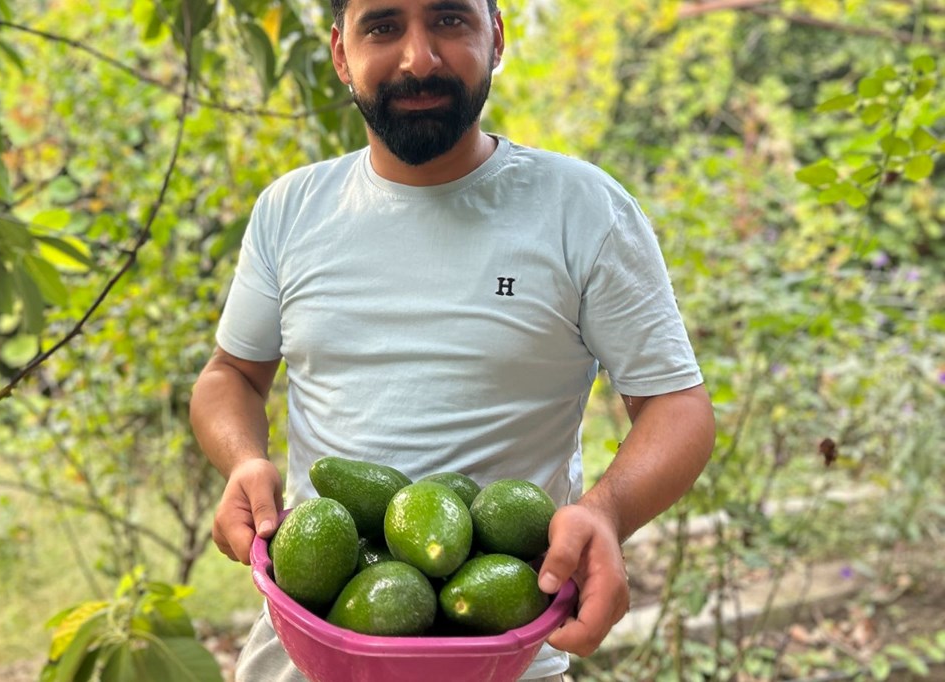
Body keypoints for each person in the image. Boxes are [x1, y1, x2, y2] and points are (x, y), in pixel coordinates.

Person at [189, 0, 716, 677]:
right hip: (309, 648)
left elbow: (678, 406)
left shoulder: (583, 209)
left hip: (500, 649)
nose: (419, 58)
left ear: (495, 38)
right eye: (383, 27)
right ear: (342, 53)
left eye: (449, 21)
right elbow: (229, 373)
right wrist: (241, 460)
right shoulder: (292, 210)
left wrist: (605, 515)